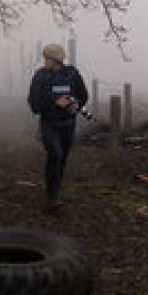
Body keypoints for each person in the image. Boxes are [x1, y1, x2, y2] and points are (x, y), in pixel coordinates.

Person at [27, 43, 88, 214]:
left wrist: (75, 103)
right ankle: (51, 198)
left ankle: (54, 190)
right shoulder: (40, 76)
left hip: (68, 125)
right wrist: (54, 102)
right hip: (49, 125)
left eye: (46, 58)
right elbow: (34, 105)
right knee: (55, 154)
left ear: (54, 60)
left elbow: (83, 96)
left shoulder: (72, 74)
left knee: (61, 160)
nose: (44, 61)